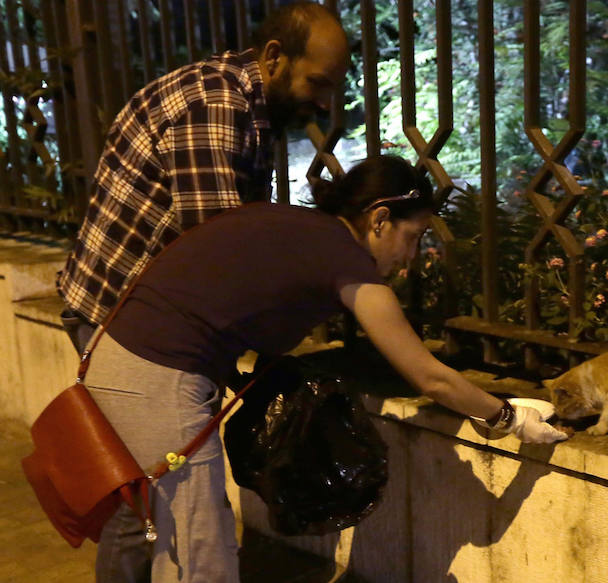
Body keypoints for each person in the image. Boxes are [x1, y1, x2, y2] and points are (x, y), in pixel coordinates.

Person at [81, 154, 568, 581]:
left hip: (128, 360)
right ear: (379, 219)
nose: (411, 258)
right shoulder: (343, 257)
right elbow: (429, 376)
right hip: (156, 377)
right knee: (201, 552)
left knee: (178, 540)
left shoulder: (301, 230)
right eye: (413, 236)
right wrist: (506, 416)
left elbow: (219, 299)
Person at [57, 1, 350, 354]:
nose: (324, 103)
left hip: (144, 314)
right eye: (317, 83)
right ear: (274, 56)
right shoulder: (216, 104)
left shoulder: (253, 106)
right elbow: (218, 247)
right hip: (115, 320)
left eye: (331, 88)